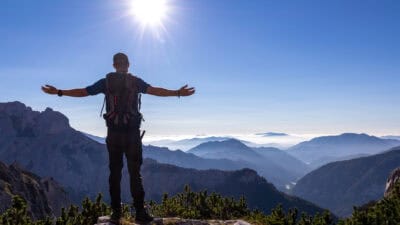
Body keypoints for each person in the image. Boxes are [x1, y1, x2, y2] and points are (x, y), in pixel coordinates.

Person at [41, 52, 195, 224]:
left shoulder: (106, 82)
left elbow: (83, 92)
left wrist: (59, 92)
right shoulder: (135, 81)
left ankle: (116, 213)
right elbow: (155, 91)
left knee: (115, 173)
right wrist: (177, 93)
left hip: (113, 134)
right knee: (135, 174)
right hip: (132, 135)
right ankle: (140, 212)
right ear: (128, 65)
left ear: (114, 65)